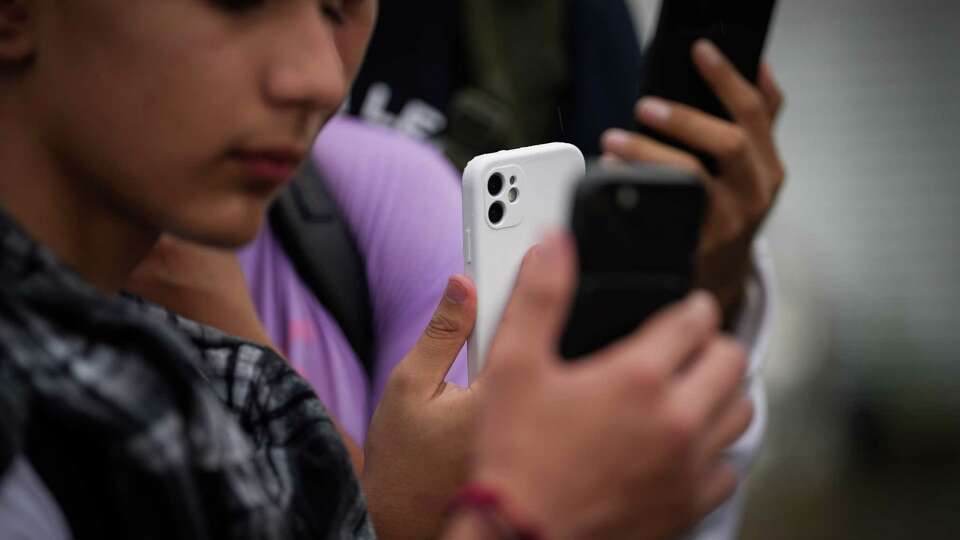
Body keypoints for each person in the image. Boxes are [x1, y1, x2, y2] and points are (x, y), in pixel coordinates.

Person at [0, 1, 775, 539]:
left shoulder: (231, 384)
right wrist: (511, 519)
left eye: (338, 8)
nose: (319, 78)